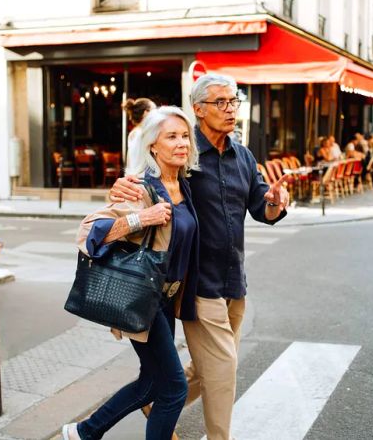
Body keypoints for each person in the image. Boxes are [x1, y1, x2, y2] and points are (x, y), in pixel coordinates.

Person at [109, 73, 289, 440]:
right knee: (223, 370)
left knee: (215, 366)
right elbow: (149, 181)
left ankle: (156, 402)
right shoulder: (185, 155)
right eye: (220, 103)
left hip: (234, 280)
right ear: (199, 109)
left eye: (233, 101)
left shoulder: (243, 155)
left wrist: (274, 204)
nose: (230, 110)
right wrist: (124, 185)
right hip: (197, 284)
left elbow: (260, 206)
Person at [62, 106, 201, 440]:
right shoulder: (140, 188)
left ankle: (83, 432)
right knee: (174, 388)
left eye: (185, 136)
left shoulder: (185, 185)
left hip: (165, 300)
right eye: (171, 136)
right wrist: (141, 218)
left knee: (152, 381)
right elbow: (88, 233)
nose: (181, 143)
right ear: (153, 145)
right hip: (142, 298)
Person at [124, 97, 157, 174]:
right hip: (144, 179)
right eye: (155, 110)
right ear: (146, 112)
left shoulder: (133, 133)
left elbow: (129, 160)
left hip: (134, 178)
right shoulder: (145, 133)